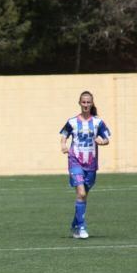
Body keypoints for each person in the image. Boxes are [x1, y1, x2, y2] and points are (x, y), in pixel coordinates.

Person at [59, 91, 111, 239]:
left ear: (92, 104)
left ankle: (75, 225)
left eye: (88, 102)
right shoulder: (72, 122)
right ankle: (82, 227)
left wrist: (102, 141)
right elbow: (64, 135)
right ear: (79, 103)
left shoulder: (98, 122)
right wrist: (63, 145)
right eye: (84, 102)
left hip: (91, 164)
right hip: (75, 160)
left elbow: (107, 138)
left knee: (83, 197)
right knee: (81, 193)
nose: (86, 105)